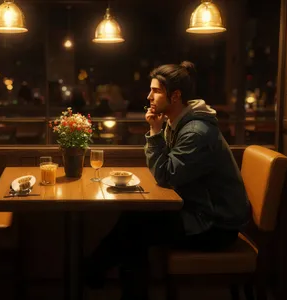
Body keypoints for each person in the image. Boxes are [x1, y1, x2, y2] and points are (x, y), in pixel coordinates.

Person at [83, 61, 251, 300]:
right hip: (199, 211)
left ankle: (91, 271)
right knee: (133, 221)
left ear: (176, 96)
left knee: (134, 229)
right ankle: (95, 272)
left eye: (156, 91)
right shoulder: (178, 122)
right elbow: (167, 172)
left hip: (215, 224)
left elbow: (166, 175)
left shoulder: (195, 132)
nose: (149, 96)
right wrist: (157, 129)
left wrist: (154, 132)